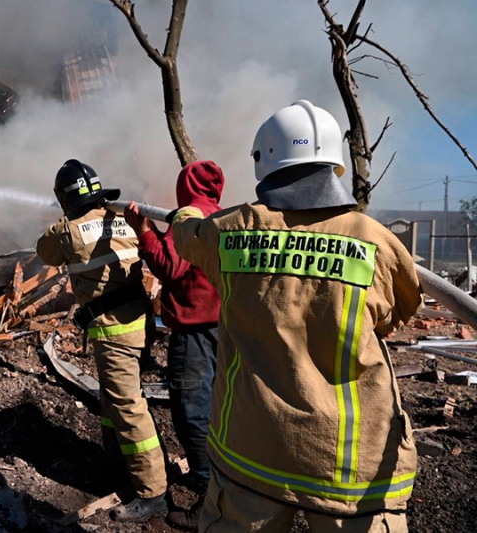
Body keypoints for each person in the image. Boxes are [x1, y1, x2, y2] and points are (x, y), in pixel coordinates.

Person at [170, 100, 422, 532]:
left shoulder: (232, 229)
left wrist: (189, 209)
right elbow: (399, 312)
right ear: (334, 162)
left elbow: (185, 236)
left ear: (263, 160)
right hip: (349, 466)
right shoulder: (374, 240)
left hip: (251, 452)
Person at [36, 159, 168, 523]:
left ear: (64, 198)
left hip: (115, 333)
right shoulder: (121, 217)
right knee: (113, 395)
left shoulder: (67, 230)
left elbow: (44, 250)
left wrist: (65, 220)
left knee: (128, 406)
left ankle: (152, 492)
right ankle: (116, 458)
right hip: (141, 322)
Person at [123, 160, 225, 531]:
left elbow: (169, 267)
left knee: (192, 410)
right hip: (225, 329)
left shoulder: (189, 218)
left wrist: (144, 231)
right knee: (219, 407)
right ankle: (221, 478)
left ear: (185, 187)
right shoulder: (223, 215)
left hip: (195, 332)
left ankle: (208, 488)